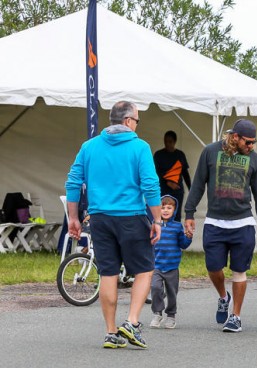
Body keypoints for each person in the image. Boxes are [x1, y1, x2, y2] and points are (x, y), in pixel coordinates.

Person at [65, 100, 162, 349]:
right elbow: (150, 185)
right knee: (145, 269)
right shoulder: (140, 147)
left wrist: (73, 217)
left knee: (107, 272)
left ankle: (111, 332)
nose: (137, 125)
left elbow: (73, 181)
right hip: (131, 216)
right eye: (137, 120)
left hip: (100, 218)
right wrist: (157, 219)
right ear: (128, 121)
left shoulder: (89, 146)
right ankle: (131, 322)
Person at [184, 119, 257, 333]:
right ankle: (224, 297)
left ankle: (236, 316)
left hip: (243, 223)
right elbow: (198, 184)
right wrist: (189, 213)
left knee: (239, 271)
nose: (251, 146)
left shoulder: (255, 159)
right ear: (235, 137)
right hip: (215, 222)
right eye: (248, 142)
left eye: (254, 142)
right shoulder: (210, 152)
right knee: (213, 267)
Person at [150, 195, 193, 329]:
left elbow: (183, 244)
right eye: (162, 207)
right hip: (156, 265)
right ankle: (157, 313)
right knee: (155, 288)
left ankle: (171, 315)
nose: (165, 210)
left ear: (174, 210)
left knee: (172, 293)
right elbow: (148, 243)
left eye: (169, 208)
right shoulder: (153, 225)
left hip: (172, 266)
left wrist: (188, 237)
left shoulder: (177, 226)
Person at [154, 130, 192, 222]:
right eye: (165, 141)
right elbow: (155, 173)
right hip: (162, 190)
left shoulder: (180, 155)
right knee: (163, 215)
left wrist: (191, 189)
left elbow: (185, 174)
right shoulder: (158, 155)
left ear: (175, 142)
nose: (167, 144)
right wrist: (167, 182)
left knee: (176, 216)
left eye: (170, 141)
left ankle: (176, 231)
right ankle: (163, 231)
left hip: (177, 191)